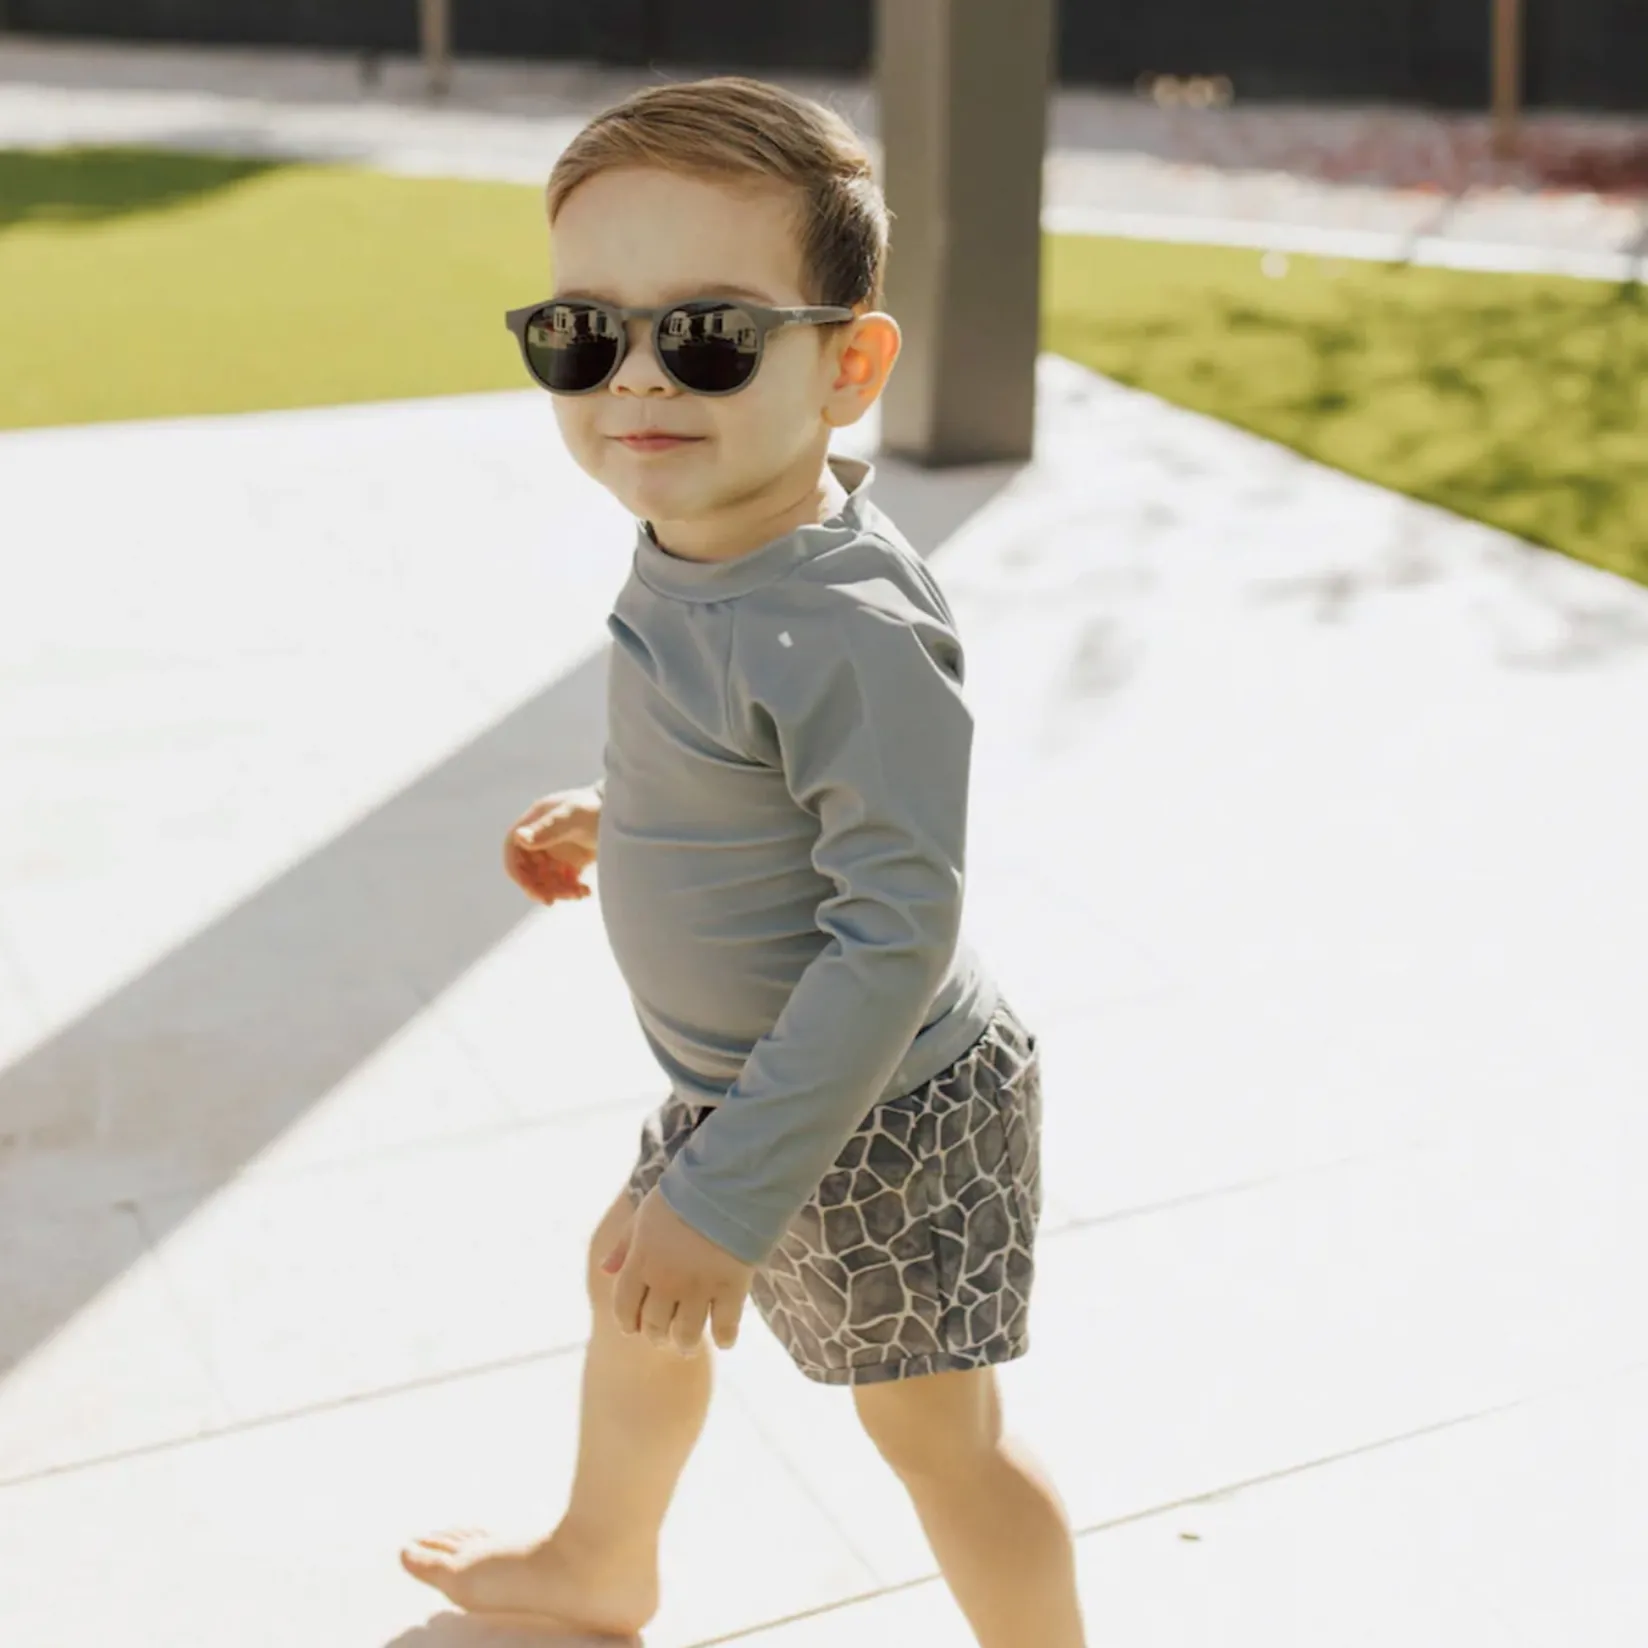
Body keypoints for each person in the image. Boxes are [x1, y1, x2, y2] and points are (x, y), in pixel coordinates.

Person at [401, 77, 1087, 1648]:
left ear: (849, 365)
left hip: (886, 1109)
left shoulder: (844, 626)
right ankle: (599, 1562)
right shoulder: (711, 533)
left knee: (934, 1434)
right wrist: (625, 812)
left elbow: (894, 930)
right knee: (632, 1293)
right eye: (585, 334)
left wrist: (724, 1195)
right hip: (754, 1076)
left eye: (710, 335)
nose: (638, 377)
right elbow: (752, 763)